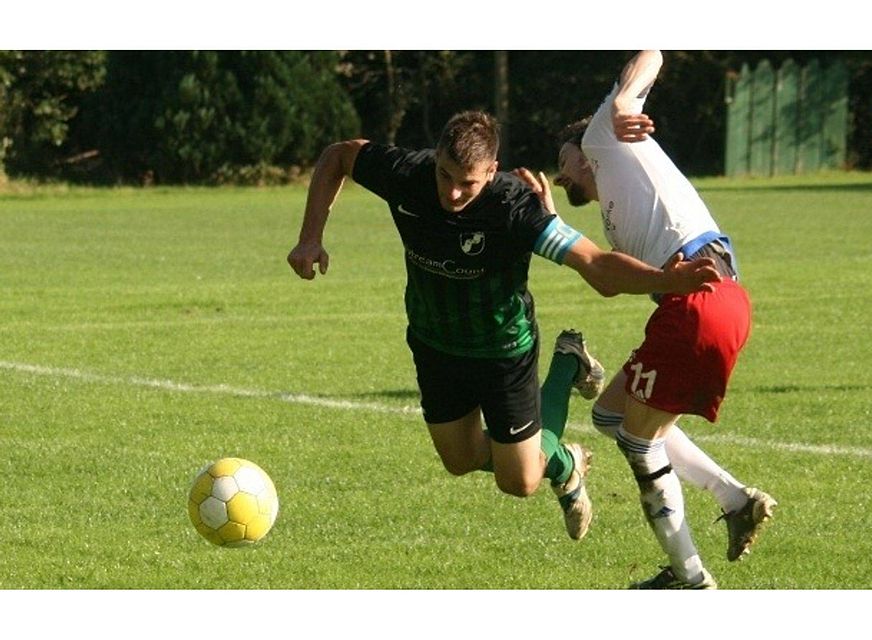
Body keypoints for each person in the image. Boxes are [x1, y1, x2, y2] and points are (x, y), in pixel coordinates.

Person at [287, 110, 721, 542]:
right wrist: (310, 237)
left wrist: (666, 279)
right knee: (459, 460)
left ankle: (565, 386)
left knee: (519, 482)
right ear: (435, 157)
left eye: (468, 183)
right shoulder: (407, 173)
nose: (452, 192)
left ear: (492, 172)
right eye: (445, 175)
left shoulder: (514, 207)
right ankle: (563, 444)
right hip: (434, 344)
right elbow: (339, 156)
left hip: (502, 352)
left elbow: (594, 264)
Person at [520, 51, 777, 588]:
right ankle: (735, 500)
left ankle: (688, 579)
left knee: (640, 442)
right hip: (711, 303)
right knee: (612, 417)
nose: (561, 169)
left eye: (563, 160)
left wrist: (618, 102)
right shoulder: (616, 199)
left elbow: (653, 50)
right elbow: (608, 276)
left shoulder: (603, 139)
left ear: (581, 146)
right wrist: (551, 223)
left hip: (698, 304)